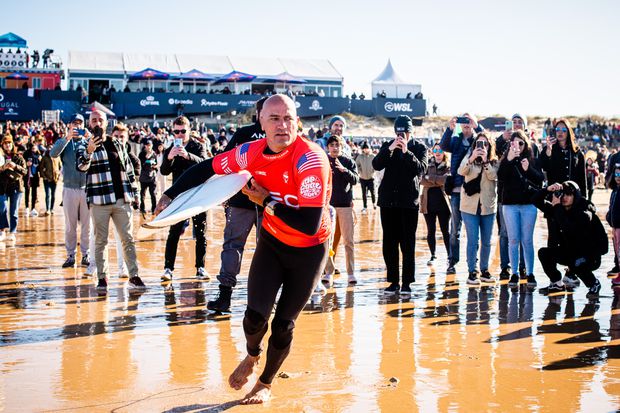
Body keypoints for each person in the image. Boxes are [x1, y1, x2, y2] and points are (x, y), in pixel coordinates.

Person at [154, 94, 332, 404]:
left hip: (309, 249)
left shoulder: (310, 160)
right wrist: (170, 194)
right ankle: (252, 355)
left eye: (288, 118)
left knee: (283, 325)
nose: (282, 125)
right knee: (253, 318)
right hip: (273, 243)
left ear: (297, 122)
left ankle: (264, 383)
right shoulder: (250, 152)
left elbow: (308, 223)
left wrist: (265, 201)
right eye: (274, 118)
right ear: (261, 122)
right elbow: (208, 168)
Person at [208, 97, 266, 313]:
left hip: (247, 199)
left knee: (234, 246)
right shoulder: (277, 136)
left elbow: (225, 163)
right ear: (260, 113)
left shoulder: (243, 133)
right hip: (261, 200)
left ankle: (226, 297)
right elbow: (226, 163)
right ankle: (261, 299)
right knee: (267, 249)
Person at [76, 115, 146, 291]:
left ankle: (134, 276)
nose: (97, 123)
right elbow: (81, 167)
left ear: (106, 123)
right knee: (101, 241)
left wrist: (136, 194)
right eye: (94, 120)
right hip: (99, 201)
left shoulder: (117, 143)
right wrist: (89, 151)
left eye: (100, 120)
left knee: (127, 239)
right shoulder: (84, 144)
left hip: (122, 200)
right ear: (89, 124)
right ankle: (102, 278)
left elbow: (129, 170)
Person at [372, 115, 428, 295]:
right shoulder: (387, 145)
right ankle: (393, 281)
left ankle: (407, 282)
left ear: (411, 132)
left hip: (408, 202)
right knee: (389, 243)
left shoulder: (419, 147)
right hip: (388, 201)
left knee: (407, 243)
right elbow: (376, 165)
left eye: (404, 132)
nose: (401, 136)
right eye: (398, 132)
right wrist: (390, 149)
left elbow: (421, 169)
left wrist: (406, 152)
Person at [534, 181, 605, 298]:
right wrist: (547, 189)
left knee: (576, 263)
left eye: (569, 194)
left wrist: (557, 207)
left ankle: (593, 284)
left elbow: (569, 228)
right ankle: (557, 283)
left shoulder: (584, 212)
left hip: (590, 256)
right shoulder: (559, 208)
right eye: (563, 194)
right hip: (571, 252)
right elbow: (535, 200)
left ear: (575, 196)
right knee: (544, 253)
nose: (564, 197)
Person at [160, 116, 208, 281]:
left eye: (183, 131)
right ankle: (168, 269)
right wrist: (169, 158)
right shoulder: (170, 148)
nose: (179, 134)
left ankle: (200, 267)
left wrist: (188, 156)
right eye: (176, 132)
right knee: (174, 232)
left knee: (200, 232)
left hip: (198, 194)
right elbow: (164, 171)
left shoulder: (198, 146)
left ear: (189, 130)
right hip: (178, 196)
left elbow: (205, 164)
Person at [497, 130, 544, 288]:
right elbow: (501, 178)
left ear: (526, 144)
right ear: (510, 144)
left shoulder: (532, 160)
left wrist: (528, 169)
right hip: (509, 205)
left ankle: (530, 273)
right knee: (513, 240)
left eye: (521, 143)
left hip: (529, 205)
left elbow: (540, 180)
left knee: (527, 240)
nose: (518, 146)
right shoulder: (506, 159)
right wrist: (509, 159)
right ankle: (514, 273)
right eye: (514, 143)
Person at [439, 114, 484, 274]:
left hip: (474, 191)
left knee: (474, 232)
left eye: (468, 121)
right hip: (457, 191)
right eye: (463, 121)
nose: (466, 124)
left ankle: (474, 262)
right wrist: (449, 129)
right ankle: (452, 261)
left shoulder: (478, 140)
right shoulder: (456, 139)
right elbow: (443, 146)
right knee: (454, 230)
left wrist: (477, 126)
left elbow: (489, 142)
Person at [457, 133, 499, 285]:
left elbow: (493, 176)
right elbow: (461, 171)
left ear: (490, 146)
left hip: (488, 207)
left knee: (487, 241)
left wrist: (486, 160)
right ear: (474, 145)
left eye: (485, 144)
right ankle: (472, 272)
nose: (482, 147)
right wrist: (471, 158)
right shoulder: (469, 157)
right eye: (479, 143)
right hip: (469, 207)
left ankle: (484, 270)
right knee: (473, 240)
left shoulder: (494, 161)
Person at [495, 114, 533, 279]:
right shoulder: (505, 143)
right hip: (505, 197)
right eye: (514, 122)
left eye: (520, 122)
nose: (516, 125)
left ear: (525, 126)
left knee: (525, 237)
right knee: (505, 234)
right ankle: (506, 267)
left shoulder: (531, 146)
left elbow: (537, 172)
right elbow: (494, 154)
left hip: (526, 199)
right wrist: (503, 139)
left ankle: (523, 267)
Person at [50, 113, 91, 268]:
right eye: (75, 123)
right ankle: (70, 256)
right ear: (69, 125)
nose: (77, 126)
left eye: (80, 123)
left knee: (87, 225)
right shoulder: (64, 141)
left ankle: (86, 255)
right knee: (70, 226)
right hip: (69, 188)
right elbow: (53, 153)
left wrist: (90, 138)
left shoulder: (88, 141)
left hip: (87, 188)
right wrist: (67, 138)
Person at [322, 135, 359, 286]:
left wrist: (344, 170)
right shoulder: (324, 161)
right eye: (332, 145)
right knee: (328, 241)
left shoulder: (348, 161)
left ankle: (351, 273)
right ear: (328, 147)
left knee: (348, 241)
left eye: (337, 145)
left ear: (342, 146)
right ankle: (328, 272)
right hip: (328, 206)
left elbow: (355, 180)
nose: (335, 148)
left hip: (345, 206)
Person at [420, 144, 451, 265]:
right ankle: (433, 255)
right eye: (435, 150)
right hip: (428, 203)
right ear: (432, 152)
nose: (438, 152)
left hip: (444, 203)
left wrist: (430, 177)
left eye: (440, 150)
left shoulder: (448, 165)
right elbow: (422, 180)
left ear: (444, 152)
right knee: (430, 231)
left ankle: (450, 256)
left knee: (445, 231)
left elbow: (445, 180)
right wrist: (437, 179)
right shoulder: (427, 164)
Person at [540, 118, 586, 194]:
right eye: (557, 129)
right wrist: (548, 152)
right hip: (554, 195)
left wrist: (584, 198)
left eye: (564, 130)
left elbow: (582, 179)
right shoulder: (548, 148)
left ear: (568, 132)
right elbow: (544, 167)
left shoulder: (577, 152)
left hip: (572, 195)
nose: (560, 132)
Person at [0, 134, 26, 242]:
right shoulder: (0, 156)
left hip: (16, 187)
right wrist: (2, 168)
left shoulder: (18, 157)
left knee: (14, 211)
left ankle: (12, 232)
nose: (7, 145)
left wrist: (15, 166)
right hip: (2, 187)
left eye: (9, 143)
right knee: (2, 208)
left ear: (12, 144)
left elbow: (25, 171)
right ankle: (2, 231)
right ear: (2, 145)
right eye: (5, 143)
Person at [39, 142, 61, 215]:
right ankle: (47, 209)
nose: (50, 149)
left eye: (51, 147)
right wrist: (44, 177)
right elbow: (41, 168)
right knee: (48, 195)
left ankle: (52, 209)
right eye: (49, 147)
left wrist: (58, 175)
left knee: (53, 195)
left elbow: (60, 167)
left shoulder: (57, 157)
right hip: (47, 179)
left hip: (55, 179)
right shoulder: (44, 157)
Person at [607, 165, 620, 286]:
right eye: (616, 174)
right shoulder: (615, 191)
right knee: (617, 249)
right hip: (614, 225)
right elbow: (611, 206)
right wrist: (608, 216)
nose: (618, 177)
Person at [355, 140, 376, 213]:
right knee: (364, 193)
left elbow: (376, 164)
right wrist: (359, 171)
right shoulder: (360, 157)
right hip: (363, 178)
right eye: (364, 148)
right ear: (362, 149)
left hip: (371, 178)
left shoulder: (373, 156)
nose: (366, 150)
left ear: (369, 148)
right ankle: (365, 206)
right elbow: (356, 165)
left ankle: (374, 204)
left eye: (367, 148)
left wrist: (373, 171)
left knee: (373, 192)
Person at [138, 140, 158, 216]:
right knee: (142, 193)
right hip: (143, 177)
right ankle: (142, 208)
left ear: (152, 145)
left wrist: (155, 167)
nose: (148, 147)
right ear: (145, 146)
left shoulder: (154, 154)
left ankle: (154, 209)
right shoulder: (142, 154)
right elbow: (141, 164)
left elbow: (156, 164)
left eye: (150, 145)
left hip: (152, 177)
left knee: (153, 194)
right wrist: (147, 158)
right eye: (147, 145)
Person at [23, 142, 42, 217]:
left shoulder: (39, 156)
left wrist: (40, 160)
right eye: (33, 148)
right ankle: (27, 207)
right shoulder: (26, 154)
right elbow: (22, 163)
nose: (34, 149)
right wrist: (26, 163)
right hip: (27, 176)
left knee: (34, 193)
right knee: (27, 192)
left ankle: (33, 208)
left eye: (35, 147)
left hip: (35, 176)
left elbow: (41, 166)